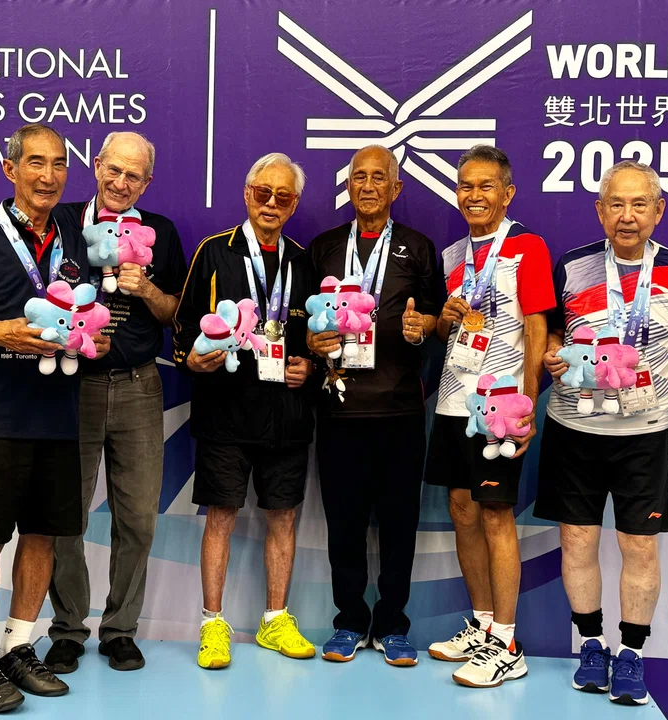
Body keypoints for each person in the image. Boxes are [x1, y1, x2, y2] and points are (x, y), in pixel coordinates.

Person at [0, 131, 187, 673]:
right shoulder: (65, 223)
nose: (122, 182)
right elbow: (11, 237)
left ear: (146, 182)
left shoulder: (163, 233)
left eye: (135, 175)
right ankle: (66, 629)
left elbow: (177, 311)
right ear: (97, 166)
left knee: (138, 519)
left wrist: (146, 288)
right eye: (114, 170)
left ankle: (122, 629)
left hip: (136, 383)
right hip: (69, 387)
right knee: (62, 519)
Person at [0, 123, 107, 713]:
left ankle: (19, 647)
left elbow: (87, 322)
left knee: (42, 536)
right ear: (10, 170)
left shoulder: (78, 241)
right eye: (35, 163)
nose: (48, 175)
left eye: (59, 164)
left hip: (56, 415)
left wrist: (95, 342)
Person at [536, 160, 668, 706]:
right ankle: (592, 645)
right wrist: (552, 357)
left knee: (639, 546)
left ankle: (631, 654)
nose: (627, 216)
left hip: (645, 431)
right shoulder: (572, 266)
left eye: (640, 204)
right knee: (578, 540)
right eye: (616, 204)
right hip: (574, 426)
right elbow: (555, 338)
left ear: (658, 211)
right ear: (599, 210)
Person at [172, 153, 316, 669]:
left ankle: (275, 619)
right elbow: (183, 326)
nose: (271, 204)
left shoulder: (305, 260)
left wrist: (309, 369)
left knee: (284, 517)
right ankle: (214, 624)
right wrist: (189, 356)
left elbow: (318, 340)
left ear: (294, 203)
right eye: (263, 193)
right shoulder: (214, 253)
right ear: (247, 193)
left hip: (287, 413)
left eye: (283, 196)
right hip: (225, 414)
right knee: (221, 517)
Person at [307, 144, 444, 667]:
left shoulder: (419, 248)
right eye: (358, 177)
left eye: (378, 177)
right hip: (339, 409)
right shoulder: (321, 247)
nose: (367, 186)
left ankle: (391, 624)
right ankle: (348, 622)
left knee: (398, 523)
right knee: (343, 523)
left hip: (400, 411)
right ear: (349, 186)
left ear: (396, 188)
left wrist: (424, 326)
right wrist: (312, 344)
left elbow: (438, 322)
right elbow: (302, 322)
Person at [424, 145, 555, 688]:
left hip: (499, 408)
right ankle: (481, 627)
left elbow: (537, 329)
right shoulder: (453, 253)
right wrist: (442, 318)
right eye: (465, 186)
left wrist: (525, 405)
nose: (474, 196)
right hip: (454, 401)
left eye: (485, 186)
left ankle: (507, 642)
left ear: (507, 193)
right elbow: (442, 331)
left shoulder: (527, 246)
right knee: (461, 508)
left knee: (497, 515)